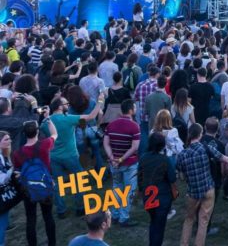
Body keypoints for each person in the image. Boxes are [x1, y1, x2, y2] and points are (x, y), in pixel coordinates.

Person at [49, 93, 104, 218]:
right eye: (66, 103)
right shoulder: (68, 119)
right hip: (70, 155)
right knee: (78, 180)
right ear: (59, 107)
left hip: (54, 156)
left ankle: (61, 210)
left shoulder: (47, 121)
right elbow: (91, 116)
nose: (68, 105)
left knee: (57, 183)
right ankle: (80, 208)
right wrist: (100, 101)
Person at [12, 119, 58, 246]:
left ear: (24, 133)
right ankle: (52, 244)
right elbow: (55, 134)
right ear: (37, 132)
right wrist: (48, 119)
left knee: (31, 219)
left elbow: (17, 172)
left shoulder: (17, 153)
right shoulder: (45, 145)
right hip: (45, 187)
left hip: (28, 189)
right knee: (48, 216)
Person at [176, 123, 217, 246]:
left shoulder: (182, 155)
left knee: (189, 219)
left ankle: (184, 244)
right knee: (203, 221)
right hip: (208, 188)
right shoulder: (205, 148)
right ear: (200, 135)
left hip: (192, 191)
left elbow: (181, 175)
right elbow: (224, 158)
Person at [103, 98, 140, 227]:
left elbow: (106, 143)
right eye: (134, 107)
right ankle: (124, 217)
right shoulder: (134, 126)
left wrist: (112, 157)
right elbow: (134, 147)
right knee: (129, 191)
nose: (136, 109)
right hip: (129, 164)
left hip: (114, 164)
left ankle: (115, 214)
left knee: (116, 188)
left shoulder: (111, 125)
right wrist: (121, 159)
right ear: (130, 110)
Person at [138, 132, 177, 246]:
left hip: (148, 196)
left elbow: (140, 177)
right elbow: (172, 178)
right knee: (159, 227)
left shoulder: (143, 158)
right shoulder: (164, 160)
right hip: (162, 198)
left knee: (154, 222)